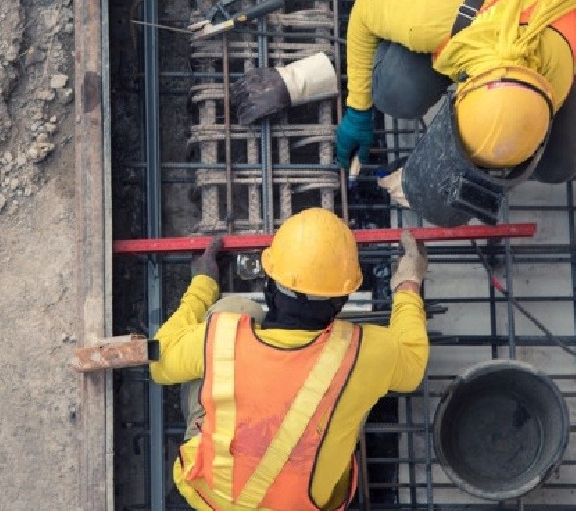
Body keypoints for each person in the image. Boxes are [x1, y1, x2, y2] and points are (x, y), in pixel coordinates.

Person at [149, 208, 430, 510]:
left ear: (270, 287)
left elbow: (160, 362)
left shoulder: (222, 337)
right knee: (352, 388)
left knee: (234, 307)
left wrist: (202, 284)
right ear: (341, 301)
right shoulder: (365, 352)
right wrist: (408, 284)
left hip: (209, 499)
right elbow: (413, 363)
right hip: (301, 505)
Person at [334, 0, 576, 225]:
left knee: (559, 165)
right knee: (394, 93)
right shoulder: (430, 23)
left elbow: (504, 136)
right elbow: (363, 13)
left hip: (551, 3)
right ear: (462, 91)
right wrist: (358, 108)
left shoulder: (559, 71)